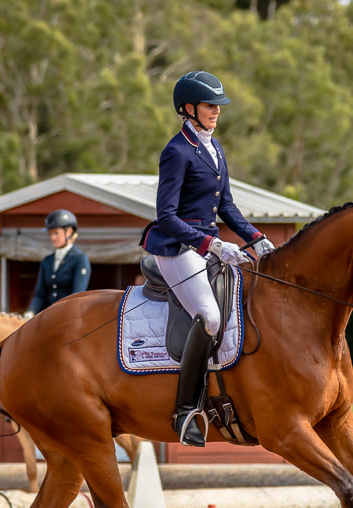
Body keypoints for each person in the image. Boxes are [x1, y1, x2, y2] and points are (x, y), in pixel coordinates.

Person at [140, 70, 275, 447]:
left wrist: (256, 239)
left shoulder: (214, 148)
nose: (216, 111)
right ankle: (185, 410)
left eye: (218, 106)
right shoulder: (176, 151)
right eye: (209, 106)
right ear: (188, 109)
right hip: (177, 249)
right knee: (211, 317)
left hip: (207, 244)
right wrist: (213, 246)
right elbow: (166, 216)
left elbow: (227, 205)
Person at [24, 209, 91, 318]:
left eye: (56, 233)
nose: (52, 237)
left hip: (70, 315)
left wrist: (60, 315)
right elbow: (40, 293)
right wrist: (31, 311)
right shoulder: (47, 261)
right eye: (50, 234)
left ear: (68, 232)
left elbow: (77, 294)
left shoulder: (80, 259)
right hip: (48, 314)